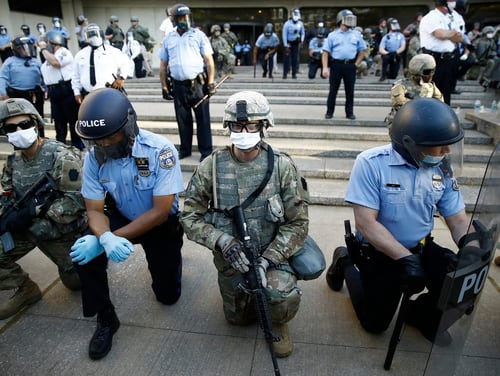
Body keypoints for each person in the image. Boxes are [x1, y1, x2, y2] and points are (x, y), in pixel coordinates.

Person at [326, 98, 474, 346]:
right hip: (380, 251)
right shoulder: (371, 164)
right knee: (374, 325)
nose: (447, 151)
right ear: (411, 144)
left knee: (458, 284)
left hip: (421, 246)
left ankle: (419, 315)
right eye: (440, 146)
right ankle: (345, 261)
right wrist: (404, 259)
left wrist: (471, 245)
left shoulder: (441, 169)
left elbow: (457, 219)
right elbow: (366, 223)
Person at [180, 90, 309, 358]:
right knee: (237, 320)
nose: (244, 131)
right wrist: (221, 240)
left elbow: (298, 225)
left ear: (264, 126)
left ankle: (278, 320)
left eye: (251, 125)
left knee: (279, 296)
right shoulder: (211, 167)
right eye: (238, 125)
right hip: (232, 259)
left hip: (273, 254)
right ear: (228, 126)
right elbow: (189, 216)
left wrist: (267, 260)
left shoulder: (282, 167)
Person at [71, 88, 184, 359]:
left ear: (129, 125)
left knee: (167, 296)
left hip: (159, 222)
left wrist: (110, 238)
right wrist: (103, 239)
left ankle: (172, 268)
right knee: (84, 254)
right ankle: (106, 318)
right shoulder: (95, 157)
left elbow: (159, 211)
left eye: (111, 136)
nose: (105, 145)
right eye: (97, 140)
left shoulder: (161, 150)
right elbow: (95, 210)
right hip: (122, 214)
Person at [0, 97, 85, 320]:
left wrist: (35, 212)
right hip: (28, 229)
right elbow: (7, 197)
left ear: (36, 124)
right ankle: (26, 289)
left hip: (59, 231)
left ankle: (94, 257)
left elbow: (77, 200)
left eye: (24, 125)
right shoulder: (12, 162)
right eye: (11, 128)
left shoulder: (61, 156)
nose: (19, 131)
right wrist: (8, 217)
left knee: (75, 282)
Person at [159, 3, 215, 162]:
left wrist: (210, 82)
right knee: (183, 120)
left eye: (187, 17)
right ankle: (185, 150)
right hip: (178, 86)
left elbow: (209, 61)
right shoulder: (169, 38)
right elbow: (163, 65)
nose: (185, 20)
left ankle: (206, 151)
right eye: (182, 18)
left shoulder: (198, 35)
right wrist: (164, 86)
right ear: (175, 20)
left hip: (198, 85)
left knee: (203, 119)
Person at [39, 31, 83, 150]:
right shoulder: (47, 57)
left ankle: (77, 145)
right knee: (59, 122)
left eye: (47, 43)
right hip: (54, 92)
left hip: (65, 89)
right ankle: (60, 146)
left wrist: (43, 49)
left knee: (73, 120)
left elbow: (55, 63)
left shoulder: (64, 52)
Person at [322, 9, 367, 120]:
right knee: (333, 90)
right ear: (341, 20)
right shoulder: (332, 35)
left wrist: (356, 63)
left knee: (350, 91)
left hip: (350, 65)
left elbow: (363, 50)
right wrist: (325, 68)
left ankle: (349, 112)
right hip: (336, 65)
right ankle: (329, 112)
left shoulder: (356, 34)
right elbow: (325, 52)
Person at [419, 0, 466, 104]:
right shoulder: (431, 17)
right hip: (433, 59)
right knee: (431, 93)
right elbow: (440, 34)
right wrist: (453, 33)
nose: (454, 3)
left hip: (449, 59)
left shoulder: (450, 17)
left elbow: (459, 38)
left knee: (446, 92)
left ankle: (445, 117)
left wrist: (450, 34)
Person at [72, 23, 128, 105]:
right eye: (90, 34)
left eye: (95, 33)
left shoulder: (112, 51)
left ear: (101, 34)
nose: (93, 37)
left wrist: (122, 77)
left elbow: (125, 63)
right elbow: (75, 75)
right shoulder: (80, 55)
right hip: (88, 95)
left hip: (108, 93)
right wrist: (76, 92)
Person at [0, 36, 45, 136]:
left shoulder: (35, 61)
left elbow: (44, 75)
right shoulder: (10, 61)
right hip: (18, 95)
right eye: (24, 47)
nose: (27, 50)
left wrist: (46, 88)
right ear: (17, 49)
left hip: (35, 95)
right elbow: (2, 78)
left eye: (29, 47)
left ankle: (41, 140)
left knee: (37, 119)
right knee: (21, 121)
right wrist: (3, 94)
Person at [385, 53, 443, 128]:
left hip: (425, 122)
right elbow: (398, 103)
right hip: (404, 122)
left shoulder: (431, 86)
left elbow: (440, 103)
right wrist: (424, 106)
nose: (431, 75)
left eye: (432, 71)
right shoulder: (400, 85)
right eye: (428, 72)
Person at [282, 8, 305, 79]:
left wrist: (301, 40)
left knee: (295, 59)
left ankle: (294, 74)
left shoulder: (300, 23)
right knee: (286, 59)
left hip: (296, 42)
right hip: (288, 42)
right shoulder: (287, 24)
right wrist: (285, 45)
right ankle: (285, 73)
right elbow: (284, 34)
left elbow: (303, 33)